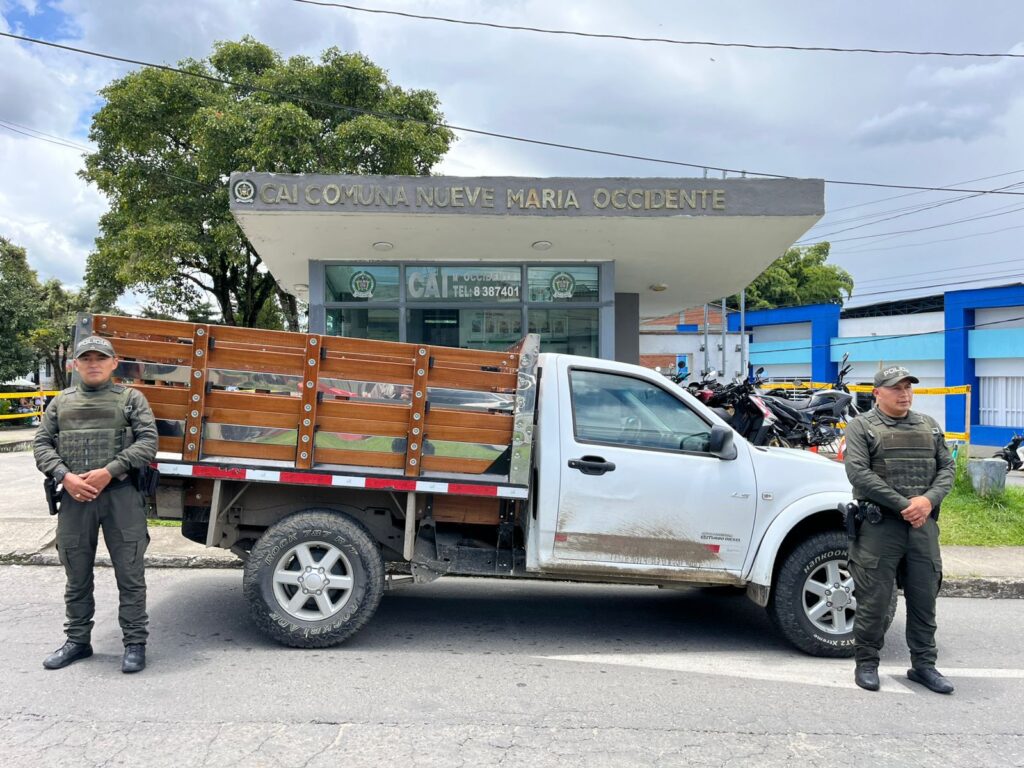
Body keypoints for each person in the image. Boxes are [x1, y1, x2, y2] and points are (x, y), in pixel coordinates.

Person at [33, 336, 158, 674]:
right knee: (76, 574)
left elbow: (148, 442)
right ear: (75, 364)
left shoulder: (131, 399)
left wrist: (109, 471)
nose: (93, 364)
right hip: (76, 499)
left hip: (121, 496)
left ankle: (135, 643)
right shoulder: (60, 402)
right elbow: (41, 444)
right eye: (86, 358)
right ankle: (77, 641)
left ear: (113, 363)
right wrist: (65, 476)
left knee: (130, 575)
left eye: (100, 358)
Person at [844, 365, 956, 694]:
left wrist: (927, 501)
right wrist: (905, 505)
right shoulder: (862, 426)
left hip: (922, 526)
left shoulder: (929, 425)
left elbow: (947, 468)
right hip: (881, 526)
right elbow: (859, 473)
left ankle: (924, 665)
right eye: (896, 388)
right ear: (877, 393)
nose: (904, 394)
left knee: (924, 599)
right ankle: (866, 663)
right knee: (874, 601)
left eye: (908, 387)